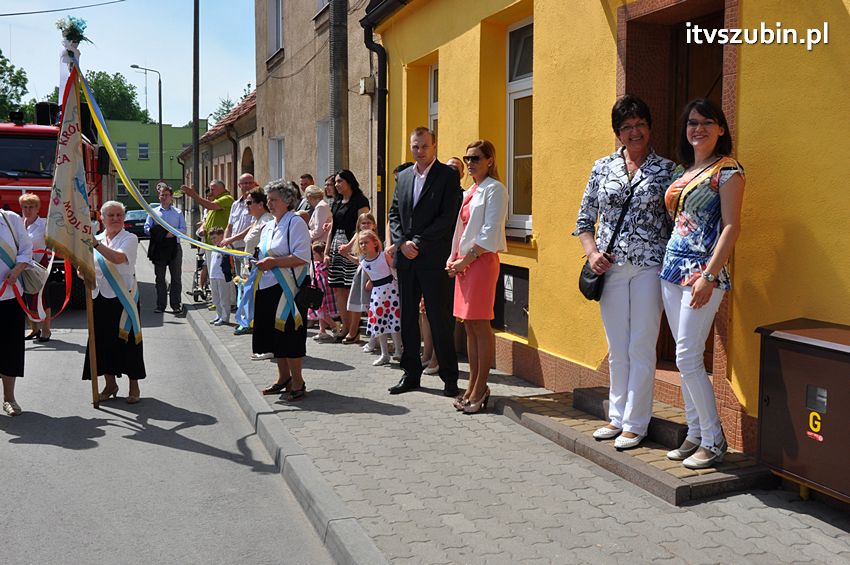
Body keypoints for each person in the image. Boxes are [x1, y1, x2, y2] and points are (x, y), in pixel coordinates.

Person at [574, 95, 675, 450]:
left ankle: (636, 422)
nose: (634, 132)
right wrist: (592, 254)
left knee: (642, 344)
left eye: (639, 125)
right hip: (610, 268)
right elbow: (584, 220)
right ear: (618, 132)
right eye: (626, 127)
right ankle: (616, 417)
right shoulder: (602, 168)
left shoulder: (668, 171)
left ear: (650, 127)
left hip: (649, 266)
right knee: (618, 346)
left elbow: (678, 222)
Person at [661, 98, 745, 469]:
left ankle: (714, 439)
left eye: (707, 123)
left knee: (687, 357)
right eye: (693, 122)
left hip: (703, 276)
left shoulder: (728, 171)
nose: (698, 128)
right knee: (686, 360)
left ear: (721, 129)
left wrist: (709, 276)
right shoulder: (683, 171)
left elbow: (731, 227)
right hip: (671, 272)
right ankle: (694, 433)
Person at [388, 127, 462, 396]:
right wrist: (401, 243)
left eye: (424, 146)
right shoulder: (405, 176)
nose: (419, 151)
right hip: (407, 260)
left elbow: (447, 217)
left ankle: (450, 378)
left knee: (439, 318)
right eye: (415, 146)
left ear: (435, 146)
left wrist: (417, 242)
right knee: (407, 318)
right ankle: (410, 374)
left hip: (432, 258)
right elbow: (394, 213)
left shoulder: (447, 176)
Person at [446, 140, 508, 413]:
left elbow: (489, 233)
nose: (470, 163)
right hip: (465, 264)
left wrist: (464, 261)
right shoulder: (471, 190)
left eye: (476, 158)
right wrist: (452, 259)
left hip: (480, 262)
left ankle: (481, 388)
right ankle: (472, 385)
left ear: (490, 161)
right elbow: (460, 230)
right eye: (467, 158)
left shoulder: (496, 189)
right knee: (469, 327)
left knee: (481, 327)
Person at [83, 201, 146, 404]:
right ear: (102, 218)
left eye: (119, 215)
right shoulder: (97, 239)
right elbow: (87, 266)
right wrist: (82, 270)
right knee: (101, 342)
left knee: (128, 341)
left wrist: (95, 245)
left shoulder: (130, 238)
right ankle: (110, 384)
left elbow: (118, 259)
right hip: (98, 296)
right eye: (111, 215)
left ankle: (133, 386)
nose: (116, 219)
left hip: (122, 299)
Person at [254, 180, 312, 401]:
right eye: (268, 199)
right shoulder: (269, 225)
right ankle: (283, 378)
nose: (270, 203)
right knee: (275, 337)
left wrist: (273, 263)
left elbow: (301, 257)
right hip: (268, 286)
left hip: (290, 288)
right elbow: (264, 253)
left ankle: (298, 381)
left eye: (274, 199)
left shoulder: (295, 222)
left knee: (290, 336)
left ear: (288, 201)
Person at [324, 169, 370, 343]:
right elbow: (333, 229)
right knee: (338, 288)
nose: (337, 185)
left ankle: (354, 329)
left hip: (353, 246)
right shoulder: (335, 203)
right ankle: (345, 325)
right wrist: (327, 252)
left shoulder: (360, 201)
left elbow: (362, 227)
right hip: (337, 246)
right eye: (335, 182)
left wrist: (350, 246)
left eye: (340, 181)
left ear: (349, 182)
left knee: (352, 288)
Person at [181, 179, 234, 305]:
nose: (210, 191)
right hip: (211, 244)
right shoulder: (215, 201)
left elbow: (210, 206)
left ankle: (229, 303)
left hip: (221, 245)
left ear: (222, 188)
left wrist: (194, 195)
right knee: (214, 276)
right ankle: (216, 302)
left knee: (224, 276)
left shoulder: (226, 198)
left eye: (213, 189)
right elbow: (208, 218)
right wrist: (203, 229)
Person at [0, 208, 32, 416]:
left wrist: (18, 268)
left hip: (10, 295)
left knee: (10, 348)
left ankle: (9, 398)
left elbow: (26, 249)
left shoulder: (10, 219)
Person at [232, 189, 274, 337]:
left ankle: (252, 324)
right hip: (249, 267)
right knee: (247, 297)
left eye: (249, 203)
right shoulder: (257, 220)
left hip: (259, 268)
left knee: (254, 298)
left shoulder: (267, 220)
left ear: (261, 204)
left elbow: (267, 246)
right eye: (245, 203)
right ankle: (248, 322)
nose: (246, 206)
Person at [358, 229, 402, 366]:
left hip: (391, 290)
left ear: (375, 243)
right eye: (361, 243)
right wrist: (370, 283)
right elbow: (372, 276)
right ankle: (384, 354)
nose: (363, 245)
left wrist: (399, 284)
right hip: (377, 294)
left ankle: (398, 350)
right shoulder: (363, 263)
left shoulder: (383, 256)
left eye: (366, 242)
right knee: (379, 323)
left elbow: (393, 270)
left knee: (394, 320)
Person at [144, 184, 187, 314]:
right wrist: (159, 233)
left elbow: (183, 230)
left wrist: (172, 233)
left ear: (171, 197)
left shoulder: (178, 213)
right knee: (160, 278)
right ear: (159, 196)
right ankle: (161, 305)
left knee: (176, 278)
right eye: (162, 195)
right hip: (159, 249)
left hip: (174, 248)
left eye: (166, 195)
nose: (164, 197)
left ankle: (176, 305)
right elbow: (146, 228)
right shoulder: (153, 212)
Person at [19, 193, 52, 341]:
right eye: (25, 207)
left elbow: (53, 241)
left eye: (31, 207)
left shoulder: (44, 224)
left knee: (42, 298)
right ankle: (34, 329)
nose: (28, 210)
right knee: (27, 296)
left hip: (40, 265)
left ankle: (46, 330)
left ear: (38, 208)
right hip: (23, 265)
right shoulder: (19, 223)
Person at [223, 173, 259, 279]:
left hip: (248, 248)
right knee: (239, 280)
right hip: (235, 249)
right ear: (239, 185)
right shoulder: (235, 204)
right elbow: (229, 226)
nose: (247, 185)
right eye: (244, 183)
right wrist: (225, 241)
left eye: (250, 183)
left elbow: (252, 227)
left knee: (247, 279)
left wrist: (230, 239)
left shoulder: (255, 204)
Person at [309, 241, 338, 342]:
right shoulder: (315, 264)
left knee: (321, 311)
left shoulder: (325, 265)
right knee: (320, 310)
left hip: (323, 290)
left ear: (321, 254)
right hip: (317, 290)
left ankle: (334, 326)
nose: (312, 256)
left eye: (314, 253)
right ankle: (322, 330)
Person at [207, 227, 233, 326]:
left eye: (215, 238)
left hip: (222, 276)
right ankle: (219, 315)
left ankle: (225, 317)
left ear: (222, 236)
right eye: (212, 238)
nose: (213, 240)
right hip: (213, 276)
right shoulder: (214, 248)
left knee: (224, 298)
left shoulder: (226, 247)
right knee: (216, 298)